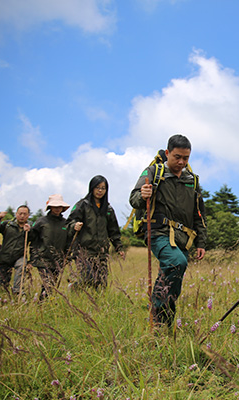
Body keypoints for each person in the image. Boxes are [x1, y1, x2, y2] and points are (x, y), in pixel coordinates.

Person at [129, 134, 207, 327]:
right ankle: (157, 312)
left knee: (175, 278)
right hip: (158, 232)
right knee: (176, 262)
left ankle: (164, 324)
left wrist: (201, 242)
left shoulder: (192, 180)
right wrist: (143, 194)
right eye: (177, 157)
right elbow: (134, 198)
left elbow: (199, 214)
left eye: (186, 158)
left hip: (183, 237)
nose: (181, 162)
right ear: (167, 153)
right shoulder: (153, 172)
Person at [67, 175, 125, 289]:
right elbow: (69, 222)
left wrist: (119, 247)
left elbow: (113, 231)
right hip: (84, 251)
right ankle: (74, 288)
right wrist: (75, 225)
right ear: (92, 188)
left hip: (101, 252)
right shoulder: (82, 205)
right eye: (97, 187)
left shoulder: (108, 209)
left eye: (103, 188)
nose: (100, 191)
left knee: (101, 284)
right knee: (88, 279)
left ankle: (96, 305)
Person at [29, 194, 71, 299]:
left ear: (62, 208)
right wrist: (28, 230)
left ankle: (45, 304)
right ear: (50, 207)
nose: (57, 209)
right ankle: (42, 304)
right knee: (47, 283)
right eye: (55, 206)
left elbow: (69, 241)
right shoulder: (41, 221)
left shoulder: (66, 223)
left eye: (59, 206)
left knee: (52, 285)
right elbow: (32, 238)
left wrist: (67, 256)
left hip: (58, 259)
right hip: (43, 258)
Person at [0, 205, 31, 294]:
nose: (22, 216)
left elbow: (34, 242)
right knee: (3, 283)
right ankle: (3, 295)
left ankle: (17, 291)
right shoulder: (7, 224)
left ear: (28, 215)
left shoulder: (31, 227)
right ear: (16, 214)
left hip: (20, 256)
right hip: (5, 256)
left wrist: (30, 231)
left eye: (24, 214)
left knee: (21, 268)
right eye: (20, 213)